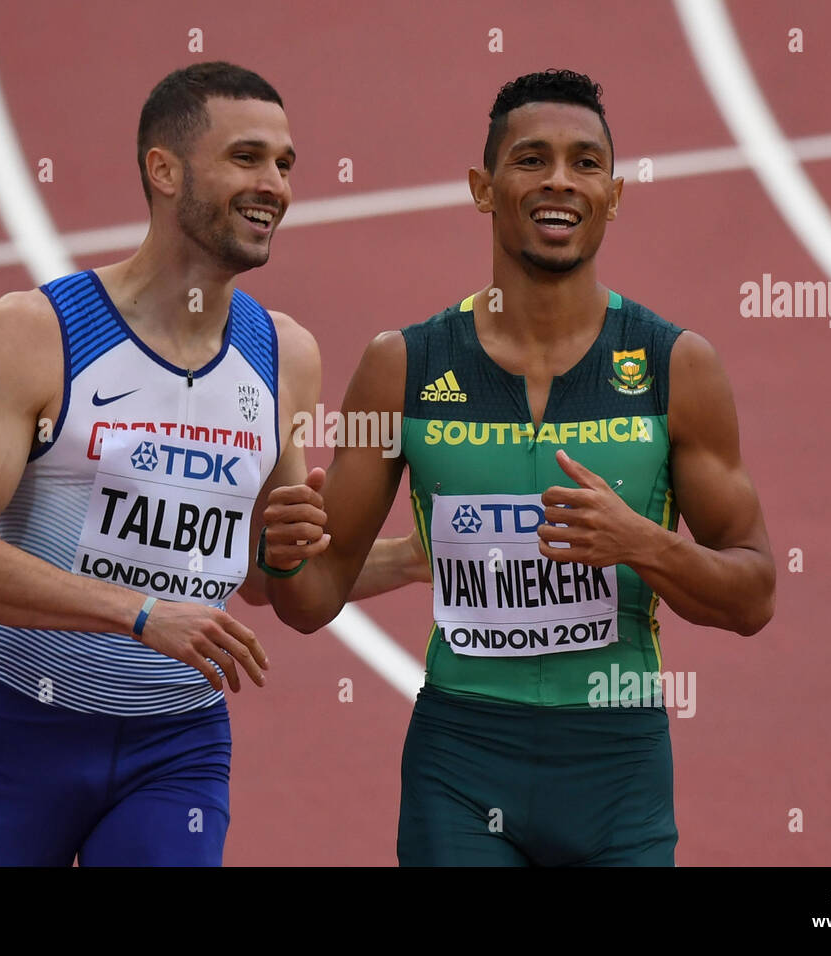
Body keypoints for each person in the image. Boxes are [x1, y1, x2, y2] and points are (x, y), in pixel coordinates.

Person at [0, 61, 425, 867]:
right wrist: (142, 613)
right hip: (27, 730)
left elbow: (262, 584)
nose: (275, 185)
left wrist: (409, 558)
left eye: (286, 165)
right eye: (248, 158)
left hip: (178, 751)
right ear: (164, 169)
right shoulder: (37, 332)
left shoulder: (282, 354)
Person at [261, 69, 776, 866]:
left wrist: (643, 543)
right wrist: (284, 552)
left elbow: (754, 595)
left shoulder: (679, 366)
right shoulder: (401, 366)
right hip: (461, 758)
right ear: (483, 187)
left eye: (586, 163)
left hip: (619, 766)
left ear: (614, 192)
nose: (560, 181)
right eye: (531, 159)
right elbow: (312, 601)